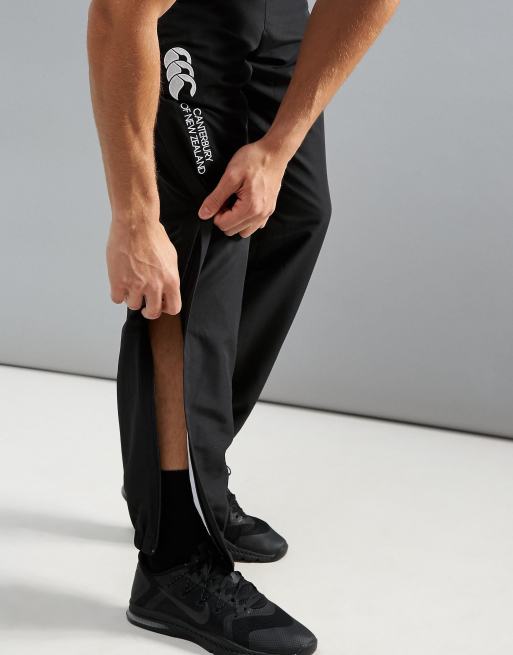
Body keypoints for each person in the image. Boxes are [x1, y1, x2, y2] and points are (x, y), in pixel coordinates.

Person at [87, 0, 399, 652]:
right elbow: (119, 14)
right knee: (197, 237)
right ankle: (173, 552)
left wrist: (277, 149)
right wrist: (135, 219)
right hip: (180, 15)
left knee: (295, 213)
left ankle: (184, 469)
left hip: (273, 8)